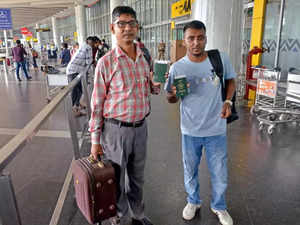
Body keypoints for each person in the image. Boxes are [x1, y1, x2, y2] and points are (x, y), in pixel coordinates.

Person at [89, 6, 160, 225]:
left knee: (138, 177)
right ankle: (117, 215)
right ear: (113, 28)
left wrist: (155, 86)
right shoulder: (106, 62)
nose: (127, 28)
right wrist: (94, 141)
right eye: (122, 24)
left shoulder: (144, 56)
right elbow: (97, 104)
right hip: (115, 131)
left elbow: (147, 87)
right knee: (116, 179)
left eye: (132, 23)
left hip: (141, 128)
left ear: (137, 27)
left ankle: (138, 214)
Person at [164, 20, 236, 225]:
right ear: (184, 41)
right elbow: (170, 98)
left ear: (205, 37)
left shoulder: (220, 59)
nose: (196, 42)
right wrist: (173, 94)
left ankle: (219, 206)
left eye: (200, 37)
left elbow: (231, 81)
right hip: (190, 129)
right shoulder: (178, 67)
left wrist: (228, 101)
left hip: (216, 128)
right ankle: (193, 201)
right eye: (191, 38)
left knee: (220, 171)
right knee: (190, 169)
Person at [66, 37, 95, 117]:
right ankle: (75, 109)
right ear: (92, 42)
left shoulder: (83, 46)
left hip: (72, 70)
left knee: (79, 90)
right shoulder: (88, 47)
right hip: (74, 71)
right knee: (76, 91)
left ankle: (78, 105)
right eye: (94, 44)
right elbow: (88, 62)